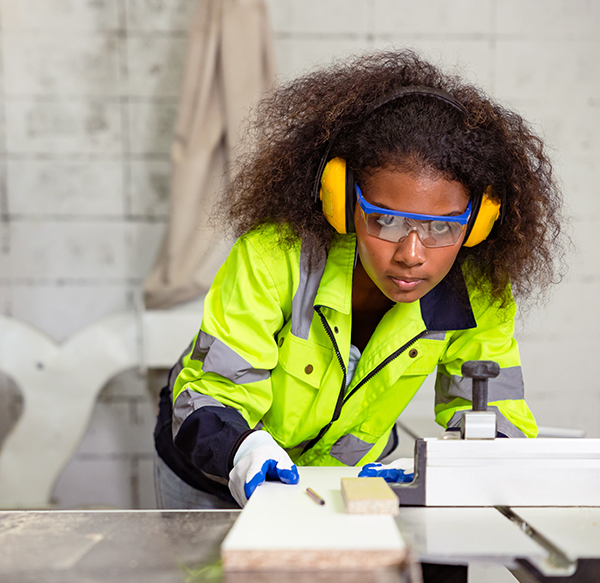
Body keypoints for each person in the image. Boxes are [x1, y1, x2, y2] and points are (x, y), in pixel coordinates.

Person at [153, 49, 566, 510]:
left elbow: (496, 418)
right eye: (386, 221)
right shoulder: (274, 259)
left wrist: (447, 464)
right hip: (210, 470)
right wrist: (242, 451)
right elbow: (210, 395)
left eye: (442, 227)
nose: (411, 255)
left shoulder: (479, 294)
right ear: (342, 201)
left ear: (479, 223)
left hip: (341, 481)